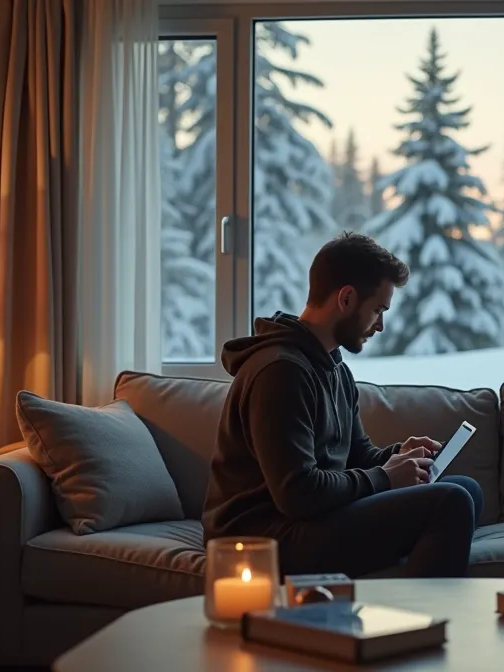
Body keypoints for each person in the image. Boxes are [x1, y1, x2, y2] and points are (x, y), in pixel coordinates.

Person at [202, 232, 483, 578]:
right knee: (451, 503)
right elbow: (297, 493)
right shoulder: (280, 372)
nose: (380, 326)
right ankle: (416, 609)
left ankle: (407, 588)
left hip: (309, 519)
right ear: (346, 299)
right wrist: (385, 478)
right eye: (377, 310)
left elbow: (356, 454)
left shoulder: (335, 368)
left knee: (466, 490)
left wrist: (398, 456)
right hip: (261, 537)